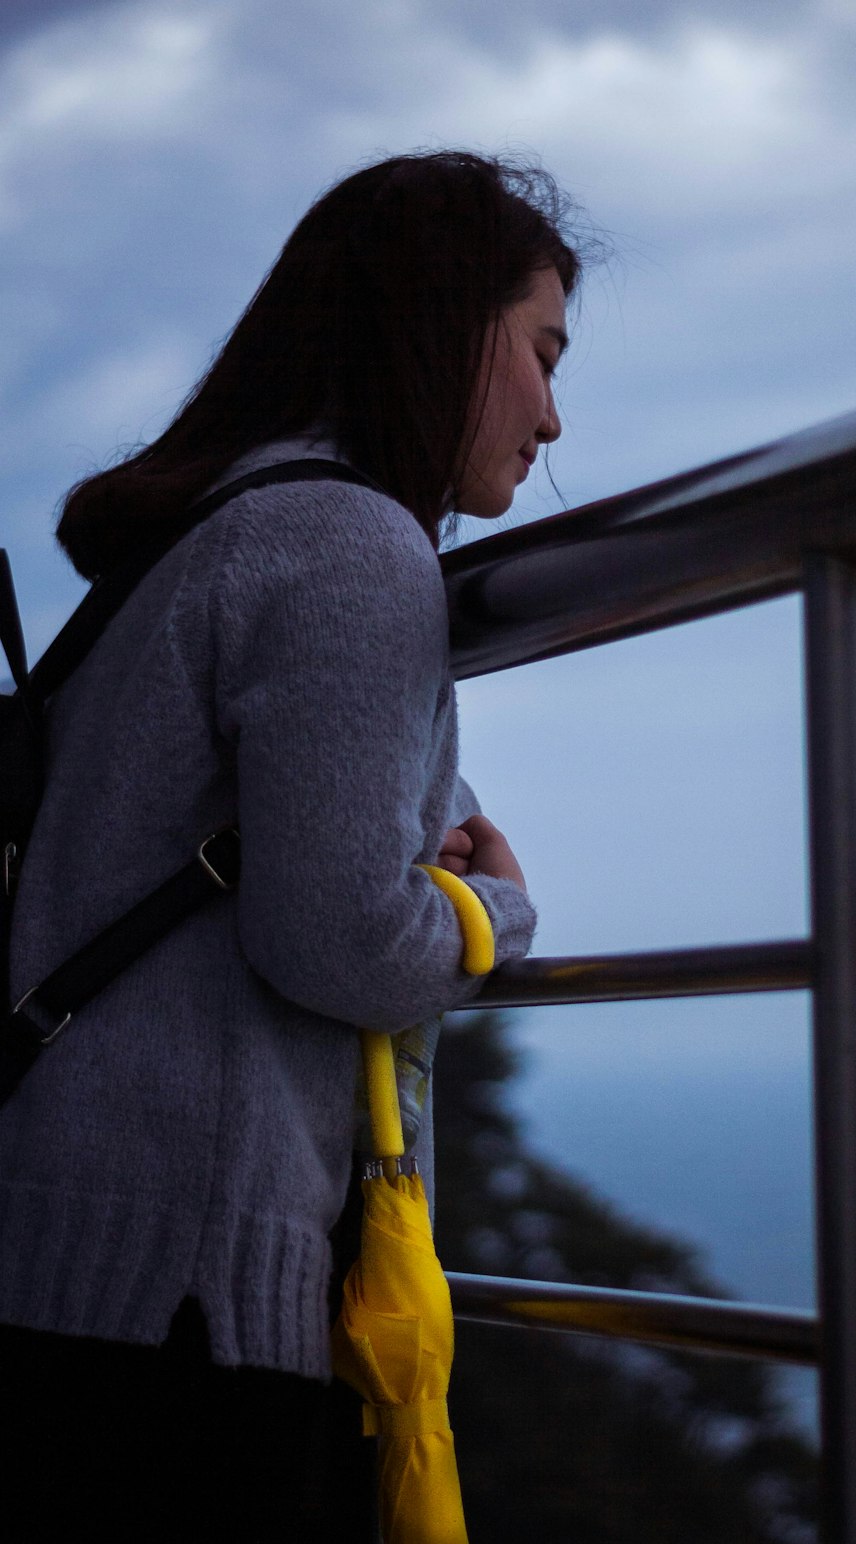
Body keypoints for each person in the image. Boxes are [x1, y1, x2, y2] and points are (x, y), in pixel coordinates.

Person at [0, 150, 583, 1539]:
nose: (554, 417)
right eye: (542, 354)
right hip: (185, 1293)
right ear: (443, 327)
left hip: (61, 1247)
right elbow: (340, 941)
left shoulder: (200, 537)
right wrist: (495, 911)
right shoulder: (350, 545)